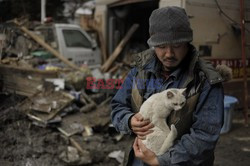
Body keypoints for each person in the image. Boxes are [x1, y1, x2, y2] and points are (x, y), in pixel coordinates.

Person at [111, 6, 224, 166]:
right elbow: (117, 106)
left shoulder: (205, 80)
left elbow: (205, 136)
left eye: (177, 46)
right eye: (162, 46)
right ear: (153, 44)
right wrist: (129, 121)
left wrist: (160, 160)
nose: (169, 53)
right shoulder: (140, 70)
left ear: (187, 42)